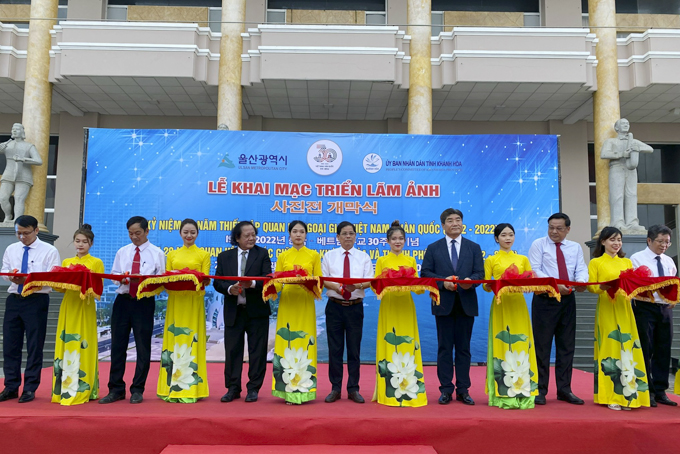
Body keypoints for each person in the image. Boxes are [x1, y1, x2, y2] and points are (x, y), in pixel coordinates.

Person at [99, 216, 165, 404]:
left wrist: (146, 281)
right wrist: (122, 278)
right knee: (117, 346)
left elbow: (160, 280)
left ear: (147, 231)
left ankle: (138, 389)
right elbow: (114, 275)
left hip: (144, 302)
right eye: (130, 233)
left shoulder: (157, 253)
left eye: (137, 233)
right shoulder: (123, 251)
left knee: (143, 347)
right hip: (123, 300)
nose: (134, 237)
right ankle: (115, 389)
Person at [422, 208, 483, 406]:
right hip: (444, 305)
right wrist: (442, 283)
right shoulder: (433, 248)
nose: (455, 223)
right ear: (443, 225)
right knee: (444, 348)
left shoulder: (473, 247)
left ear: (462, 223)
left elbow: (479, 273)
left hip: (466, 303)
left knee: (464, 349)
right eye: (450, 220)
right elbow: (425, 274)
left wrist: (469, 281)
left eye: (458, 219)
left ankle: (464, 390)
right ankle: (446, 389)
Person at [528, 212, 587, 405]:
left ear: (568, 229)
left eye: (559, 228)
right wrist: (554, 285)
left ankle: (564, 389)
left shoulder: (575, 247)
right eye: (551, 227)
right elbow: (535, 270)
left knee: (566, 346)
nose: (554, 231)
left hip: (568, 300)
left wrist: (580, 282)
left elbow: (581, 268)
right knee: (542, 347)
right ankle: (540, 390)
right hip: (545, 300)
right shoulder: (539, 244)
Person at [588, 226, 650, 410]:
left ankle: (629, 394)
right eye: (612, 240)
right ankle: (611, 396)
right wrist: (606, 287)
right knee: (610, 346)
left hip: (625, 308)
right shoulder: (596, 262)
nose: (616, 243)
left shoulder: (627, 263)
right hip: (607, 307)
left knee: (628, 348)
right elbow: (592, 287)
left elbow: (633, 286)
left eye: (619, 240)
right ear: (603, 242)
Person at [0, 215, 60, 403]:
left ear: (36, 230)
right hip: (14, 299)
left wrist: (29, 280)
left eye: (26, 233)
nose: (22, 237)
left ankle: (30, 388)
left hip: (36, 299)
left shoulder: (49, 250)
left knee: (35, 345)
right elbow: (5, 271)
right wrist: (13, 278)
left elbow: (53, 277)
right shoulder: (11, 249)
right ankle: (11, 386)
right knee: (10, 345)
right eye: (19, 233)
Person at [214, 220, 272, 403]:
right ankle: (233, 388)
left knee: (257, 351)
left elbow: (268, 280)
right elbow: (217, 282)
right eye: (247, 235)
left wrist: (253, 284)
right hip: (234, 310)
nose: (251, 238)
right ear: (237, 238)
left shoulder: (262, 254)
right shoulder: (225, 257)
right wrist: (229, 288)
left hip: (257, 312)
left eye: (253, 234)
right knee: (232, 351)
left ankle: (253, 388)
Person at [483, 223, 538, 409]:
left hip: (518, 305)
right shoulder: (491, 260)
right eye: (504, 235)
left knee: (522, 344)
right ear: (496, 238)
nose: (508, 238)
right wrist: (492, 284)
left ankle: (524, 392)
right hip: (501, 304)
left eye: (511, 234)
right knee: (501, 344)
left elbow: (530, 280)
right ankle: (502, 394)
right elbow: (485, 284)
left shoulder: (522, 259)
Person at [373, 221, 427, 407]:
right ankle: (388, 391)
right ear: (387, 241)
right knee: (390, 341)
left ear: (405, 241)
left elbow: (418, 288)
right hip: (389, 305)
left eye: (401, 239)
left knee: (408, 342)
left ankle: (410, 388)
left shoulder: (411, 260)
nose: (398, 242)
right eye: (394, 239)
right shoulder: (382, 261)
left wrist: (423, 285)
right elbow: (377, 287)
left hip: (406, 305)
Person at [157, 219, 210, 403]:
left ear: (197, 234)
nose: (189, 235)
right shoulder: (171, 255)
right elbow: (167, 278)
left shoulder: (204, 255)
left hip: (194, 302)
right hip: (176, 301)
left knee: (192, 339)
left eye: (193, 232)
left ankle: (192, 389)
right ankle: (171, 386)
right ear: (180, 233)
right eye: (186, 232)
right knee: (174, 338)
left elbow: (205, 281)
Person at [52, 224, 104, 405]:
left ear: (91, 243)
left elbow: (98, 289)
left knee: (84, 343)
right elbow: (58, 287)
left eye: (84, 242)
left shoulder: (96, 262)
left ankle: (86, 388)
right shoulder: (67, 263)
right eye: (77, 241)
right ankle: (63, 388)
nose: (80, 245)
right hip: (69, 305)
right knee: (67, 341)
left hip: (85, 306)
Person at [321, 221, 373, 404]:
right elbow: (323, 279)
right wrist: (338, 287)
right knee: (334, 349)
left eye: (351, 233)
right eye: (344, 233)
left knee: (354, 349)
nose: (348, 236)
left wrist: (356, 286)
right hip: (334, 306)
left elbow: (369, 281)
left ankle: (353, 389)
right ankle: (335, 388)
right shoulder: (329, 256)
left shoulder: (363, 257)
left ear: (355, 236)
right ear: (338, 237)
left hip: (355, 307)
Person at [271, 220, 321, 404]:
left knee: (304, 341)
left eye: (301, 231)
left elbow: (318, 283)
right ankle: (286, 390)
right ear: (289, 235)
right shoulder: (283, 256)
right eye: (294, 231)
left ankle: (305, 390)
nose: (298, 235)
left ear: (306, 235)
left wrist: (306, 280)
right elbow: (276, 282)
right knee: (287, 342)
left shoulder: (314, 255)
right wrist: (270, 285)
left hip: (305, 303)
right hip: (288, 303)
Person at [630, 224, 678, 407]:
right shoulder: (637, 259)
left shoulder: (668, 261)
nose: (664, 245)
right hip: (644, 307)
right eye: (660, 241)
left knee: (663, 350)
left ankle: (660, 390)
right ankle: (646, 390)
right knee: (645, 349)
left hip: (665, 309)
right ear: (649, 240)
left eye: (667, 242)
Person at [600, 118, 654, 233]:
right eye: (623, 124)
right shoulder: (611, 141)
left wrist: (637, 148)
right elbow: (604, 154)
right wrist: (621, 154)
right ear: (617, 128)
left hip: (631, 169)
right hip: (617, 167)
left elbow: (650, 149)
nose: (626, 125)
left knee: (631, 195)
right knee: (617, 195)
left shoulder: (633, 141)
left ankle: (632, 222)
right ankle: (618, 222)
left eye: (627, 124)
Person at [0, 123, 43, 222]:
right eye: (13, 129)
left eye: (17, 129)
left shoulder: (29, 146)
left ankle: (17, 220)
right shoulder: (7, 145)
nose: (14, 131)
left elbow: (38, 161)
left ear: (22, 132)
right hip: (8, 173)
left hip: (24, 175)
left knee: (18, 198)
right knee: (2, 198)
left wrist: (23, 159)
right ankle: (7, 215)